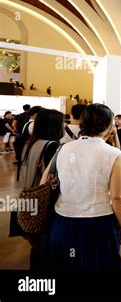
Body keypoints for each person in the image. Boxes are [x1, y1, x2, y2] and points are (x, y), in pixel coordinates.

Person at [41, 104, 121, 271]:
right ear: (109, 126)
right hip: (99, 222)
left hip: (62, 221)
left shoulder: (63, 148)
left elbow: (44, 182)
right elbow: (118, 196)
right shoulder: (113, 154)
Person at [19, 109, 63, 270]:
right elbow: (54, 178)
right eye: (61, 122)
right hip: (45, 201)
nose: (63, 125)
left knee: (36, 246)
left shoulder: (31, 143)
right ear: (53, 125)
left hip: (31, 197)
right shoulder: (51, 146)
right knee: (46, 246)